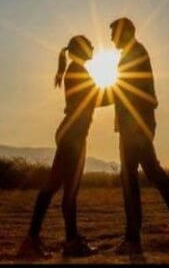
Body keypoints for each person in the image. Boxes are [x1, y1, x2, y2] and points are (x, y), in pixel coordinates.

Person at [108, 17, 169, 256]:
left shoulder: (134, 54)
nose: (110, 38)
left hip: (135, 125)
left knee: (131, 178)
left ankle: (134, 239)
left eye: (113, 33)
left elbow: (127, 91)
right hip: (138, 123)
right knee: (149, 172)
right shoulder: (133, 53)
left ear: (125, 32)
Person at [17, 34, 106, 259]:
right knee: (67, 191)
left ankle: (36, 241)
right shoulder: (78, 71)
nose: (94, 47)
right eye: (90, 44)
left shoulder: (76, 70)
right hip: (73, 136)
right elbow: (96, 98)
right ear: (81, 49)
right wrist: (126, 93)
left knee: (53, 188)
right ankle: (69, 242)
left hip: (69, 133)